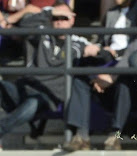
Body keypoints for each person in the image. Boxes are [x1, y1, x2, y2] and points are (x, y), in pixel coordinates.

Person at [63, 2, 137, 151]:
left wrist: (112, 78)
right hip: (129, 95)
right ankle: (81, 136)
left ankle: (115, 134)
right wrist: (107, 78)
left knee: (126, 77)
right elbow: (124, 63)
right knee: (82, 78)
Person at [0, 2, 99, 148]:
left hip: (47, 96)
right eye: (56, 18)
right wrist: (48, 13)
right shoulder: (41, 34)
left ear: (72, 20)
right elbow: (25, 24)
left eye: (64, 18)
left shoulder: (79, 43)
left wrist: (98, 51)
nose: (59, 21)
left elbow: (103, 53)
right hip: (23, 88)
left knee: (31, 105)